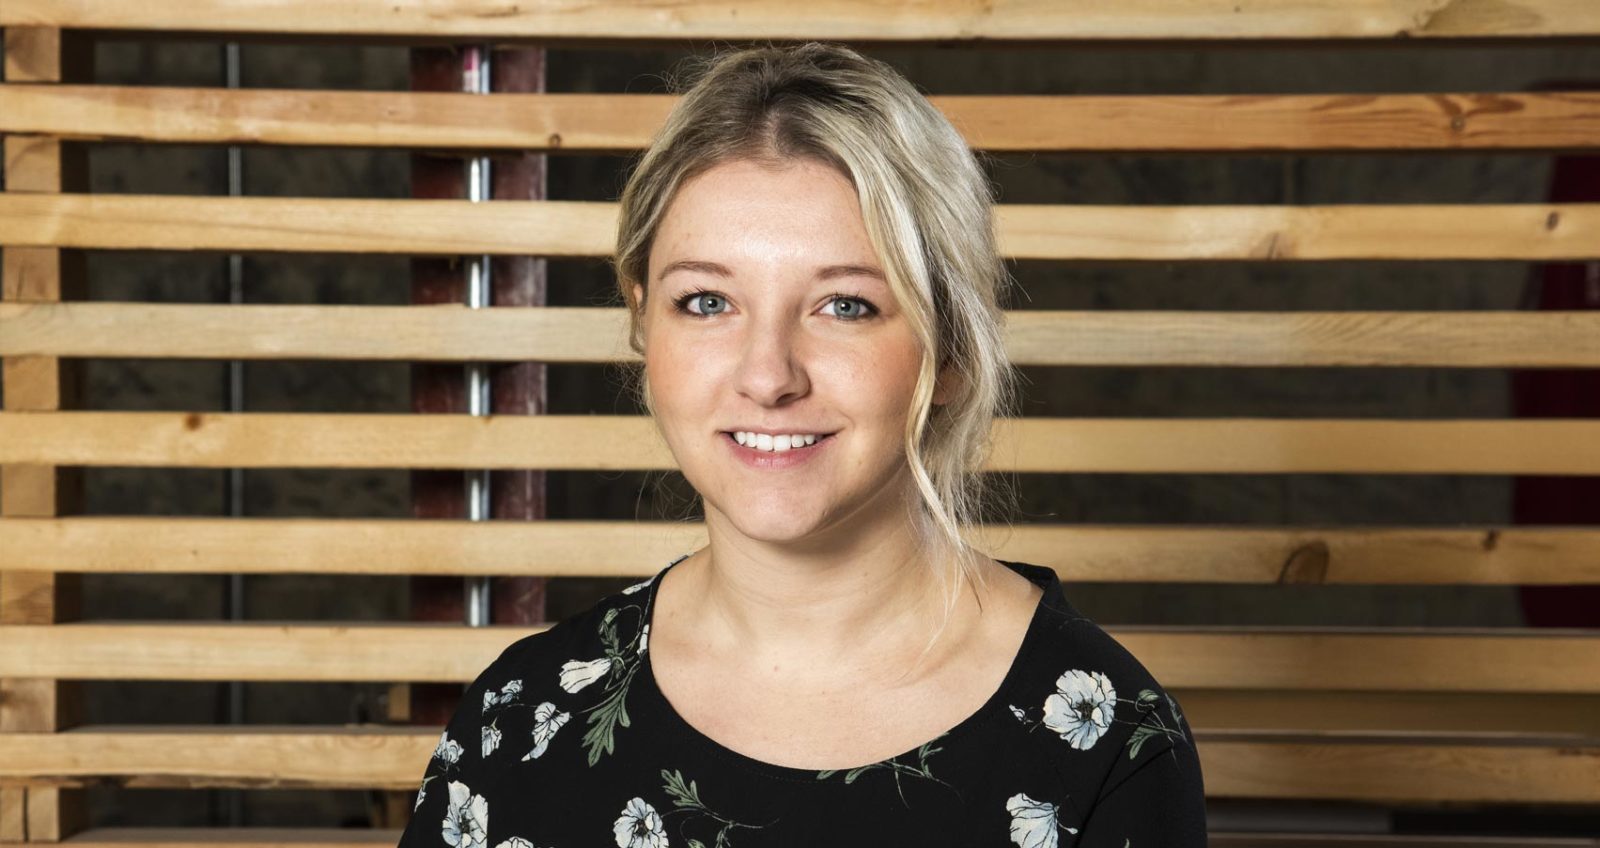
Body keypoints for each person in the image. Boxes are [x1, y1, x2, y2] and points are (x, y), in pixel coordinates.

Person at [398, 41, 1206, 848]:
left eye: (845, 306)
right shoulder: (521, 721)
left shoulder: (1107, 744)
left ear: (953, 350)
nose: (768, 375)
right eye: (708, 301)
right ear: (644, 323)